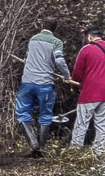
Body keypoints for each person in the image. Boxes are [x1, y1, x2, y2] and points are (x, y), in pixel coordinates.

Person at [15, 18, 72, 157]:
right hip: (45, 84)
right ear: (55, 29)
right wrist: (67, 76)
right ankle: (40, 148)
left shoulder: (33, 39)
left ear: (42, 26)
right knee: (45, 115)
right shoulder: (56, 42)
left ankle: (33, 143)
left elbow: (27, 58)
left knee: (22, 112)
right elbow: (59, 60)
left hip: (27, 82)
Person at [70, 26, 105, 155]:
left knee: (81, 124)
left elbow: (77, 72)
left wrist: (74, 87)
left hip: (89, 93)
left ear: (89, 36)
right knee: (102, 125)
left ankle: (74, 153)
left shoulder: (86, 50)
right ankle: (98, 153)